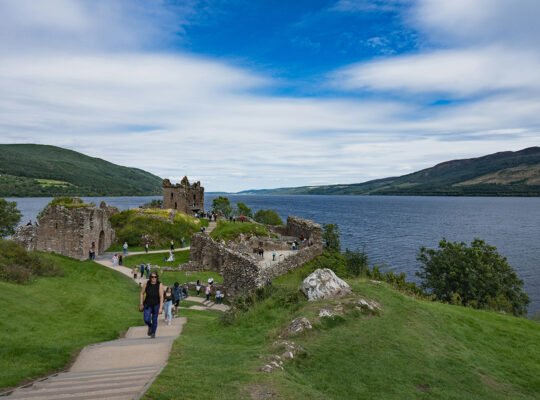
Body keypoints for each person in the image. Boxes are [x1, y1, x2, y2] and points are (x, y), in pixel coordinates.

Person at [140, 272, 164, 338]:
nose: (153, 278)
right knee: (146, 319)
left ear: (157, 277)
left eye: (155, 277)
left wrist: (161, 308)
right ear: (150, 277)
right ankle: (150, 326)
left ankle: (153, 333)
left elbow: (161, 297)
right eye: (152, 277)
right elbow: (142, 293)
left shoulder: (160, 285)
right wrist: (141, 304)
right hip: (147, 304)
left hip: (156, 304)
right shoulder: (146, 284)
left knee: (154, 319)